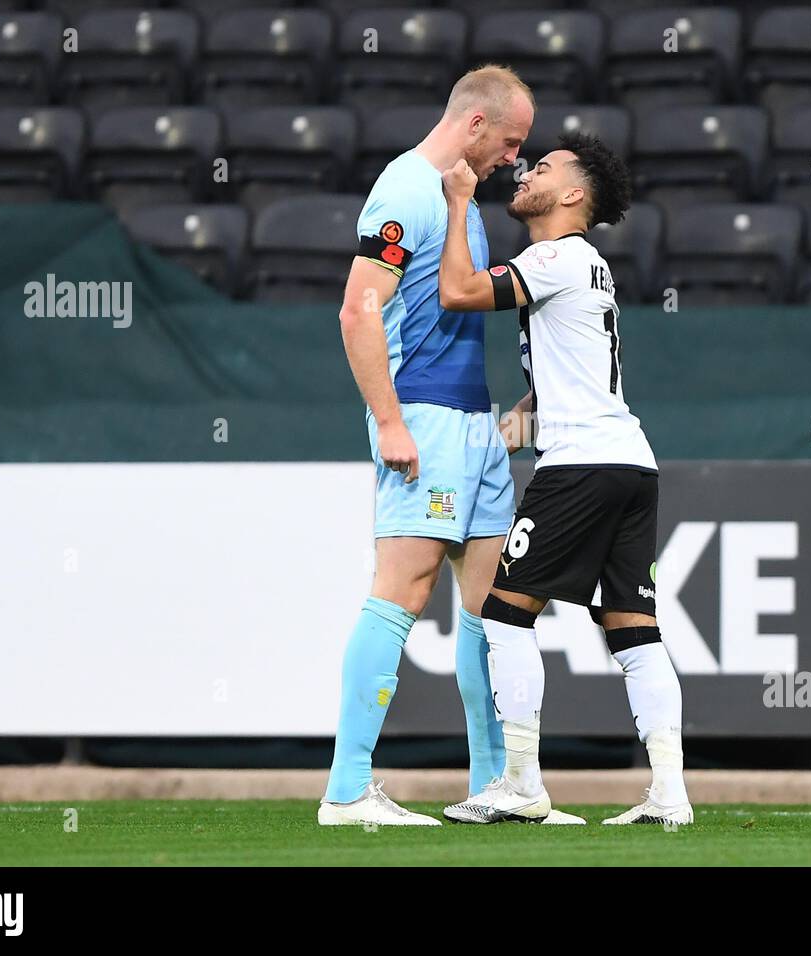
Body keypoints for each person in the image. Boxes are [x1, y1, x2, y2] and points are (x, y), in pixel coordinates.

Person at [435, 133, 693, 826]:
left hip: (580, 464)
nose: (526, 173)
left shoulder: (552, 256)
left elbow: (458, 291)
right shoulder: (592, 268)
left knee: (505, 615)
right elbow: (553, 390)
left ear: (574, 195)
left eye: (543, 169)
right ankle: (669, 793)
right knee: (634, 630)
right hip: (631, 462)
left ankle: (521, 785)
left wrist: (461, 202)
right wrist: (497, 440)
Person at [318, 66, 535, 826]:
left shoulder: (459, 197)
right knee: (402, 593)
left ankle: (490, 787)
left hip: (474, 425)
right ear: (476, 126)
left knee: (489, 610)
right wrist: (389, 421)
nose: (514, 158)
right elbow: (357, 311)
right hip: (425, 418)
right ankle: (346, 789)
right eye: (510, 142)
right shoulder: (407, 189)